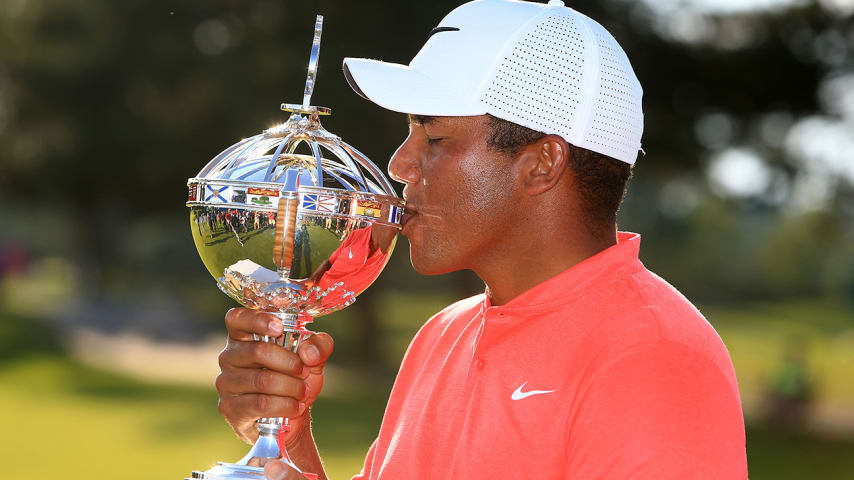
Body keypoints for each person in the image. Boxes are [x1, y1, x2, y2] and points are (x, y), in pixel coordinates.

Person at [214, 1, 748, 479]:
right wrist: (286, 434)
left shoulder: (650, 358)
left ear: (541, 164)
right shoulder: (442, 335)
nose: (400, 165)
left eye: (436, 137)